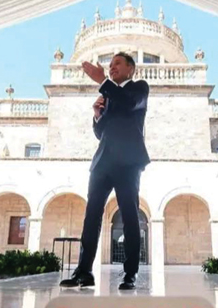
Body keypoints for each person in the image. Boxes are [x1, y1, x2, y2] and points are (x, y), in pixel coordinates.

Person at [59, 52, 150, 291]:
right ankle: (84, 271)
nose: (112, 67)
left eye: (117, 63)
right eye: (110, 65)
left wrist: (102, 81)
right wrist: (97, 117)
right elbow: (102, 133)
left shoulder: (139, 88)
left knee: (129, 214)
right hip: (102, 163)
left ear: (131, 69)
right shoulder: (109, 95)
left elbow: (128, 103)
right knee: (92, 215)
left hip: (128, 162)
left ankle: (130, 273)